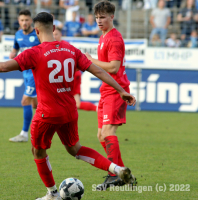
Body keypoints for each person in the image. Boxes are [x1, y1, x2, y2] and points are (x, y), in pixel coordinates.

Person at [0, 12, 136, 200]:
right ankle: (116, 168)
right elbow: (98, 70)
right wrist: (121, 90)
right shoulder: (71, 49)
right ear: (53, 28)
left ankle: (52, 193)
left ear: (36, 31)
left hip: (47, 114)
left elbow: (4, 67)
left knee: (38, 151)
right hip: (69, 111)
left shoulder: (34, 53)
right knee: (75, 149)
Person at [85, 1, 133, 190]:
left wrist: (91, 61)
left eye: (103, 17)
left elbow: (113, 66)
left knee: (107, 133)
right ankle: (122, 174)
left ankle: (114, 175)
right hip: (106, 90)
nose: (99, 20)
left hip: (116, 90)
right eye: (97, 17)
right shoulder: (103, 36)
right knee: (100, 135)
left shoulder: (114, 38)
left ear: (112, 16)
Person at [8, 9, 40, 142]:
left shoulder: (38, 35)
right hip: (25, 73)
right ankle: (53, 125)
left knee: (25, 101)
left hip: (35, 74)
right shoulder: (18, 34)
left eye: (27, 20)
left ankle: (24, 134)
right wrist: (13, 53)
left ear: (31, 21)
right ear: (18, 21)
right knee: (36, 105)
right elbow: (16, 46)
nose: (24, 22)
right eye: (22, 20)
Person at [53, 27, 97, 111]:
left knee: (75, 104)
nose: (54, 36)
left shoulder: (66, 46)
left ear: (61, 35)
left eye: (56, 34)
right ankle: (98, 108)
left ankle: (98, 108)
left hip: (72, 76)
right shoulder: (52, 47)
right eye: (53, 35)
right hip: (63, 76)